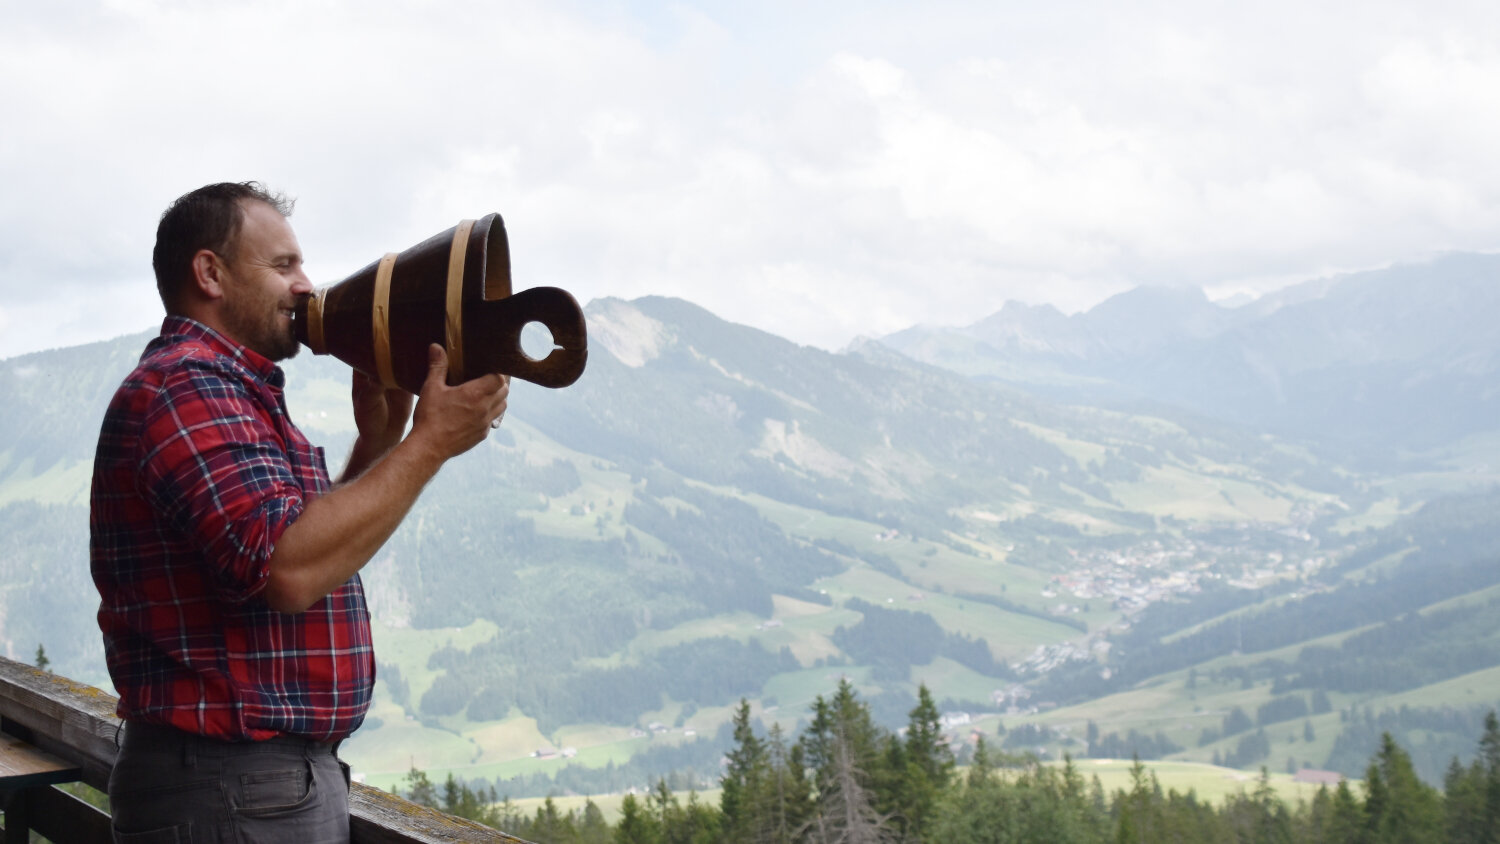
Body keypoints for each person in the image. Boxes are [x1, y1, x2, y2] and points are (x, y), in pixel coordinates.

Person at [89, 181, 509, 842]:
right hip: (231, 790)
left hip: (248, 787)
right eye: (283, 265)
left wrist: (379, 445)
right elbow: (286, 570)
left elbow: (295, 546)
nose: (307, 286)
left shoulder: (225, 390)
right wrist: (429, 443)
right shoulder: (189, 386)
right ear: (210, 273)